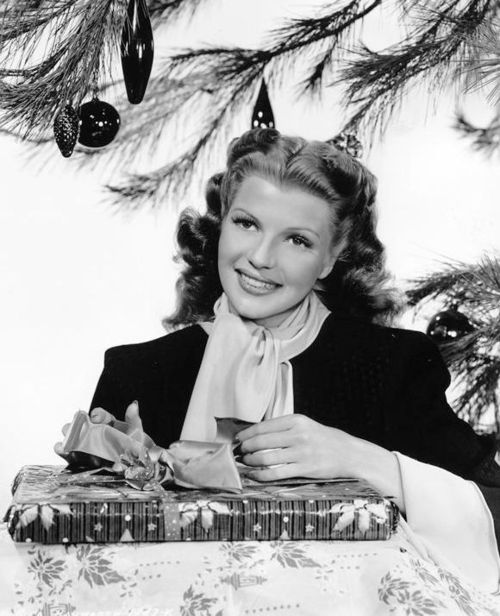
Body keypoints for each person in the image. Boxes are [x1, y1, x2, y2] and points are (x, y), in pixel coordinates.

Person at [89, 128, 500, 587]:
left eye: (298, 240)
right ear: (221, 224)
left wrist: (361, 459)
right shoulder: (135, 373)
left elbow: (495, 514)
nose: (261, 257)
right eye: (247, 223)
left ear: (331, 258)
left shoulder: (394, 366)